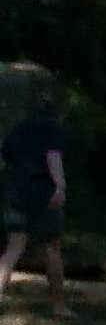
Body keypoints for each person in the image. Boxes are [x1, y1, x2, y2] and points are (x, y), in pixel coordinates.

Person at [0, 70, 64, 292]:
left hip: (17, 192)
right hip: (43, 192)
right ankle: (58, 306)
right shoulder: (53, 129)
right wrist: (60, 186)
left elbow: (5, 158)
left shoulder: (17, 130)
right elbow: (52, 156)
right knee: (52, 248)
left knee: (14, 247)